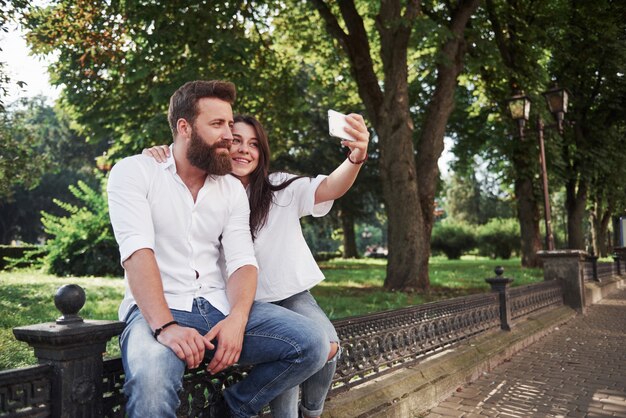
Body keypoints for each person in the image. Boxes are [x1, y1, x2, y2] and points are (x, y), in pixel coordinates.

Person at [107, 80, 330, 418]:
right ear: (184, 127)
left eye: (229, 123)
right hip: (158, 310)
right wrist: (166, 327)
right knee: (152, 381)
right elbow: (138, 253)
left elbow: (242, 262)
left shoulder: (229, 188)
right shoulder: (134, 172)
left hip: (219, 308)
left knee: (314, 343)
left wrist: (237, 320)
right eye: (217, 125)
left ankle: (229, 409)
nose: (229, 134)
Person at [143, 111, 370, 417]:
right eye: (235, 140)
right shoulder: (208, 187)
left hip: (288, 294)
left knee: (327, 348)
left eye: (253, 144)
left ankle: (311, 412)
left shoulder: (279, 186)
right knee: (289, 363)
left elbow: (330, 186)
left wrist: (355, 158)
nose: (244, 150)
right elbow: (176, 168)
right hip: (241, 303)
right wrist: (161, 154)